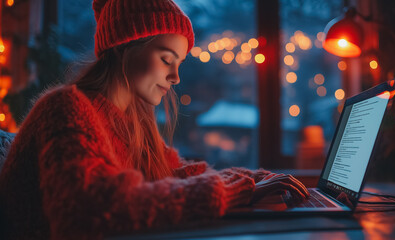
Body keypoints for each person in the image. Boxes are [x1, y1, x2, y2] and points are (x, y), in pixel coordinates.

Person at [0, 0, 309, 239]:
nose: (175, 77)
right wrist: (228, 192)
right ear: (123, 47)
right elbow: (89, 211)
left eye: (179, 63)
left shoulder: (131, 122)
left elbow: (176, 173)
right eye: (166, 59)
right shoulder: (64, 108)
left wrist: (255, 180)